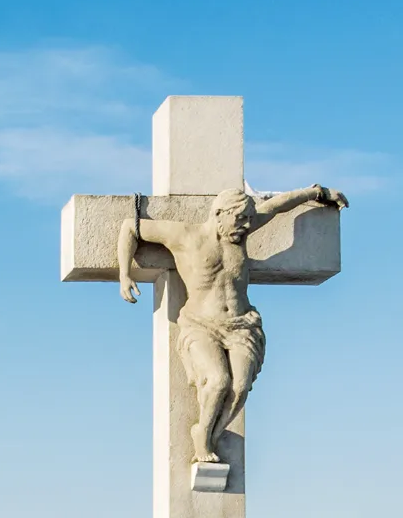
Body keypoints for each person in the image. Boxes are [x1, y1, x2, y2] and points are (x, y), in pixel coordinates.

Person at [117, 182, 347, 469]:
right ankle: (202, 434)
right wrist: (124, 274)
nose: (246, 226)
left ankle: (209, 433)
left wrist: (317, 193)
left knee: (239, 387)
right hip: (202, 325)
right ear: (219, 214)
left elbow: (275, 207)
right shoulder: (185, 236)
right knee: (218, 381)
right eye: (240, 219)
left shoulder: (240, 233)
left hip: (241, 325)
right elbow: (130, 227)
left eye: (249, 220)